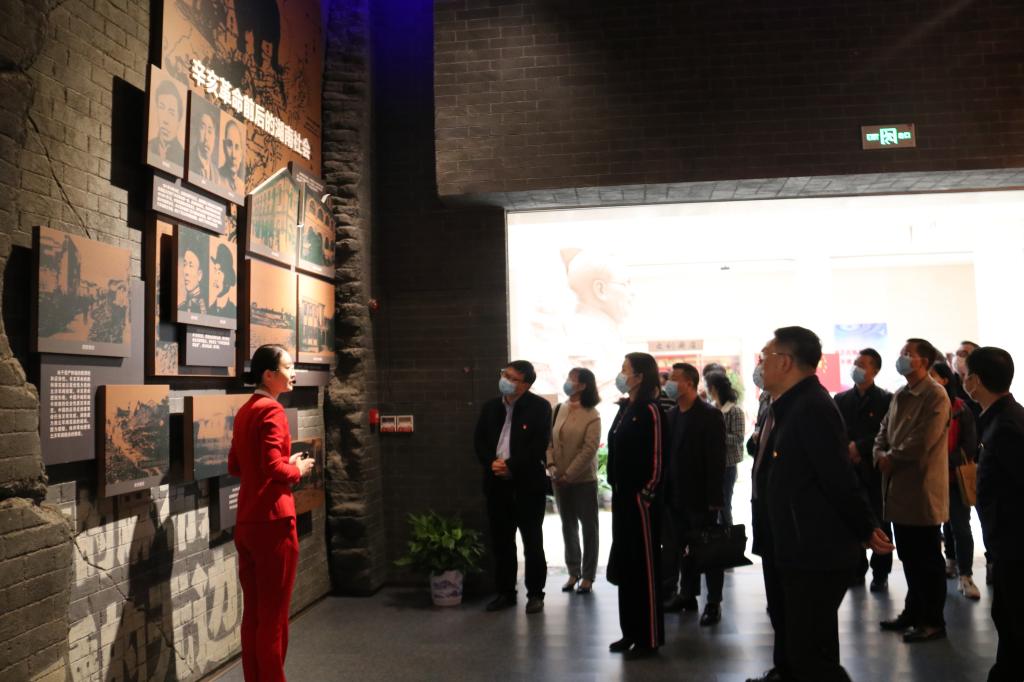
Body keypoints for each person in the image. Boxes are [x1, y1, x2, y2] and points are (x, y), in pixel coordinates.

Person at [747, 327, 892, 682]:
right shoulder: (784, 405)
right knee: (791, 631)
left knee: (811, 653)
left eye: (765, 357)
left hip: (812, 548)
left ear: (785, 362)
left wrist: (866, 526)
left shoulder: (812, 407)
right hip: (786, 541)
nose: (760, 365)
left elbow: (838, 476)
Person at [228, 344, 315, 682]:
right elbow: (273, 468)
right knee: (274, 618)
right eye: (288, 367)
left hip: (247, 520)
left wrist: (281, 463)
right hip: (274, 522)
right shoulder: (272, 411)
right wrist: (297, 469)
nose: (293, 373)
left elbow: (237, 465)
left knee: (253, 615)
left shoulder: (245, 410)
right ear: (268, 374)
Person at [875, 338, 951, 643]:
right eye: (901, 353)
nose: (902, 358)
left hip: (922, 491)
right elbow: (883, 429)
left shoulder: (935, 395)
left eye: (908, 354)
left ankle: (932, 620)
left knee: (928, 559)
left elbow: (923, 440)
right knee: (909, 556)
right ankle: (913, 611)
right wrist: (879, 453)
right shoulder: (900, 394)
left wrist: (891, 457)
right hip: (897, 489)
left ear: (925, 361)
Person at [964, 346, 1024, 682]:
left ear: (975, 381)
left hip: (1014, 547)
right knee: (1008, 619)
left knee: (1014, 621)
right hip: (1006, 544)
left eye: (966, 374)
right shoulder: (999, 419)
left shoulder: (1006, 426)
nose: (964, 380)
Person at [473, 360, 551, 614]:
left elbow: (537, 446)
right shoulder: (490, 407)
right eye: (504, 374)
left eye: (512, 377)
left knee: (532, 542)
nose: (504, 380)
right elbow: (479, 442)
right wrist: (493, 464)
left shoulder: (539, 407)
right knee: (502, 542)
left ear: (525, 385)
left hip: (527, 485)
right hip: (496, 484)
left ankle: (535, 594)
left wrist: (511, 466)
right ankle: (505, 592)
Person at [607, 352, 665, 659]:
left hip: (640, 501)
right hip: (621, 498)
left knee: (644, 569)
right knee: (627, 565)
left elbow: (658, 457)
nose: (621, 375)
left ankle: (648, 637)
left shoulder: (650, 410)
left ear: (640, 376)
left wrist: (647, 493)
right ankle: (629, 631)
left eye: (625, 370)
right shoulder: (625, 409)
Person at [663, 363, 727, 627]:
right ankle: (687, 594)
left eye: (674, 379)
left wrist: (715, 500)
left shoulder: (709, 415)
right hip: (675, 496)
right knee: (683, 550)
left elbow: (716, 460)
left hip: (701, 498)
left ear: (689, 383)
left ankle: (713, 602)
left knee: (708, 551)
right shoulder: (671, 415)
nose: (669, 383)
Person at [833, 348, 893, 591]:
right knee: (852, 517)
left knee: (880, 521)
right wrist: (847, 448)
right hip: (849, 469)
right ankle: (857, 569)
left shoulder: (886, 399)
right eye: (855, 363)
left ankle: (881, 572)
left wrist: (860, 447)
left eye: (863, 364)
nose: (856, 367)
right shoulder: (841, 399)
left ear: (875, 371)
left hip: (874, 469)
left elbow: (886, 432)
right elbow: (835, 429)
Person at [547, 367, 601, 594]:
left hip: (583, 480)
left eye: (572, 379)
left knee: (589, 528)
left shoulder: (592, 414)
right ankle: (573, 572)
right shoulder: (558, 409)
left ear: (583, 386)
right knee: (567, 525)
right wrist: (551, 466)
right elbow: (549, 441)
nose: (568, 382)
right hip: (558, 478)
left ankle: (588, 576)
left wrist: (569, 475)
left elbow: (589, 450)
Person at [930, 361, 980, 599]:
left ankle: (966, 575)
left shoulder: (960, 408)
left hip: (953, 479)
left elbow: (969, 446)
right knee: (938, 528)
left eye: (934, 375)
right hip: (929, 481)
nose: (929, 380)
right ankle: (948, 562)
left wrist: (940, 461)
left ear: (945, 380)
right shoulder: (923, 407)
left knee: (960, 526)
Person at [705, 371, 745, 527]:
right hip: (712, 465)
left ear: (714, 388)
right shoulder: (710, 409)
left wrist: (717, 435)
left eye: (708, 386)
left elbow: (738, 438)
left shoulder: (735, 411)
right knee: (714, 505)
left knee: (725, 504)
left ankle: (729, 536)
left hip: (728, 465)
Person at [148, 78, 184, 170]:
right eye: (161, 108)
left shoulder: (182, 157)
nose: (165, 120)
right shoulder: (148, 147)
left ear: (179, 120)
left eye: (171, 112)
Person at [208, 243, 237, 318]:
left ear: (227, 279)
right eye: (215, 271)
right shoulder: (208, 311)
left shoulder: (234, 312)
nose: (215, 278)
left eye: (219, 272)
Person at [218, 119, 245, 196]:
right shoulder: (216, 177)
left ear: (241, 153)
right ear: (224, 146)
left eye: (237, 147)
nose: (233, 155)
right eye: (229, 145)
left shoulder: (242, 187)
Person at [190, 109, 217, 183]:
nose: (206, 138)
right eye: (202, 128)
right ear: (196, 131)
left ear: (214, 136)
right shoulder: (189, 160)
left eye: (210, 131)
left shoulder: (216, 173)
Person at [179, 247, 207, 315]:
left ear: (199, 275)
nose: (186, 271)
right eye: (184, 265)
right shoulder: (181, 308)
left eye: (191, 266)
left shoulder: (207, 307)